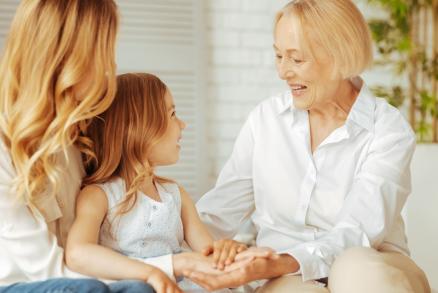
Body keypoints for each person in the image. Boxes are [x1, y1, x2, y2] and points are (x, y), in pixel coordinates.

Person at [193, 1, 432, 292]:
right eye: (279, 56)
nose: (282, 72)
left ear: (339, 56)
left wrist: (282, 261)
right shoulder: (265, 120)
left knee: (353, 266)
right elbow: (215, 216)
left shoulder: (388, 129)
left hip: (373, 266)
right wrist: (153, 253)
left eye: (296, 59)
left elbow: (357, 232)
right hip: (286, 278)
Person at [0, 1, 153, 292]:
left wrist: (155, 273)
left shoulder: (78, 139)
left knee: (140, 289)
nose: (112, 66)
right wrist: (150, 272)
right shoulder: (6, 143)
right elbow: (44, 269)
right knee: (90, 290)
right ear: (67, 57)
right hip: (22, 283)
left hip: (74, 277)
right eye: (104, 51)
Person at [66, 73, 249, 293]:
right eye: (172, 114)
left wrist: (226, 252)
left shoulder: (175, 194)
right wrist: (151, 273)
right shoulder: (99, 195)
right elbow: (78, 253)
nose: (183, 124)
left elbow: (207, 254)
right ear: (138, 127)